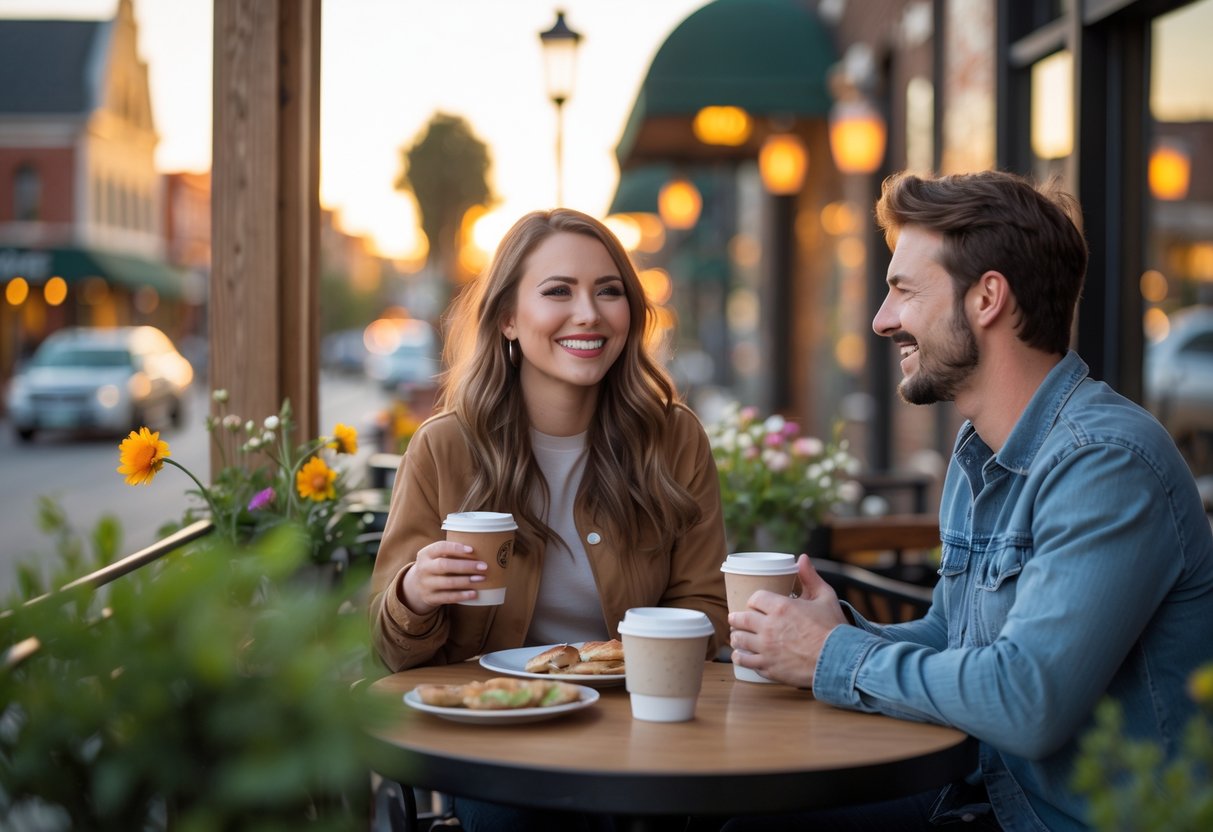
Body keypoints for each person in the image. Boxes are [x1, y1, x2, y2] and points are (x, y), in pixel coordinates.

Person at [726, 170, 1213, 831]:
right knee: (747, 817)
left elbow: (1024, 701)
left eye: (902, 291)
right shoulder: (979, 451)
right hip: (989, 794)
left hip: (1058, 820)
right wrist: (831, 632)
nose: (880, 319)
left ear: (986, 298)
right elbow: (954, 641)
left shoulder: (1104, 463)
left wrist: (829, 657)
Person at [368, 208, 729, 831]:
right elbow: (387, 648)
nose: (588, 313)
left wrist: (629, 658)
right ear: (508, 317)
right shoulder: (445, 448)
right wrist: (413, 594)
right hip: (503, 730)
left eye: (608, 291)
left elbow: (707, 604)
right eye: (558, 291)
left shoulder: (672, 439)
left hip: (645, 724)